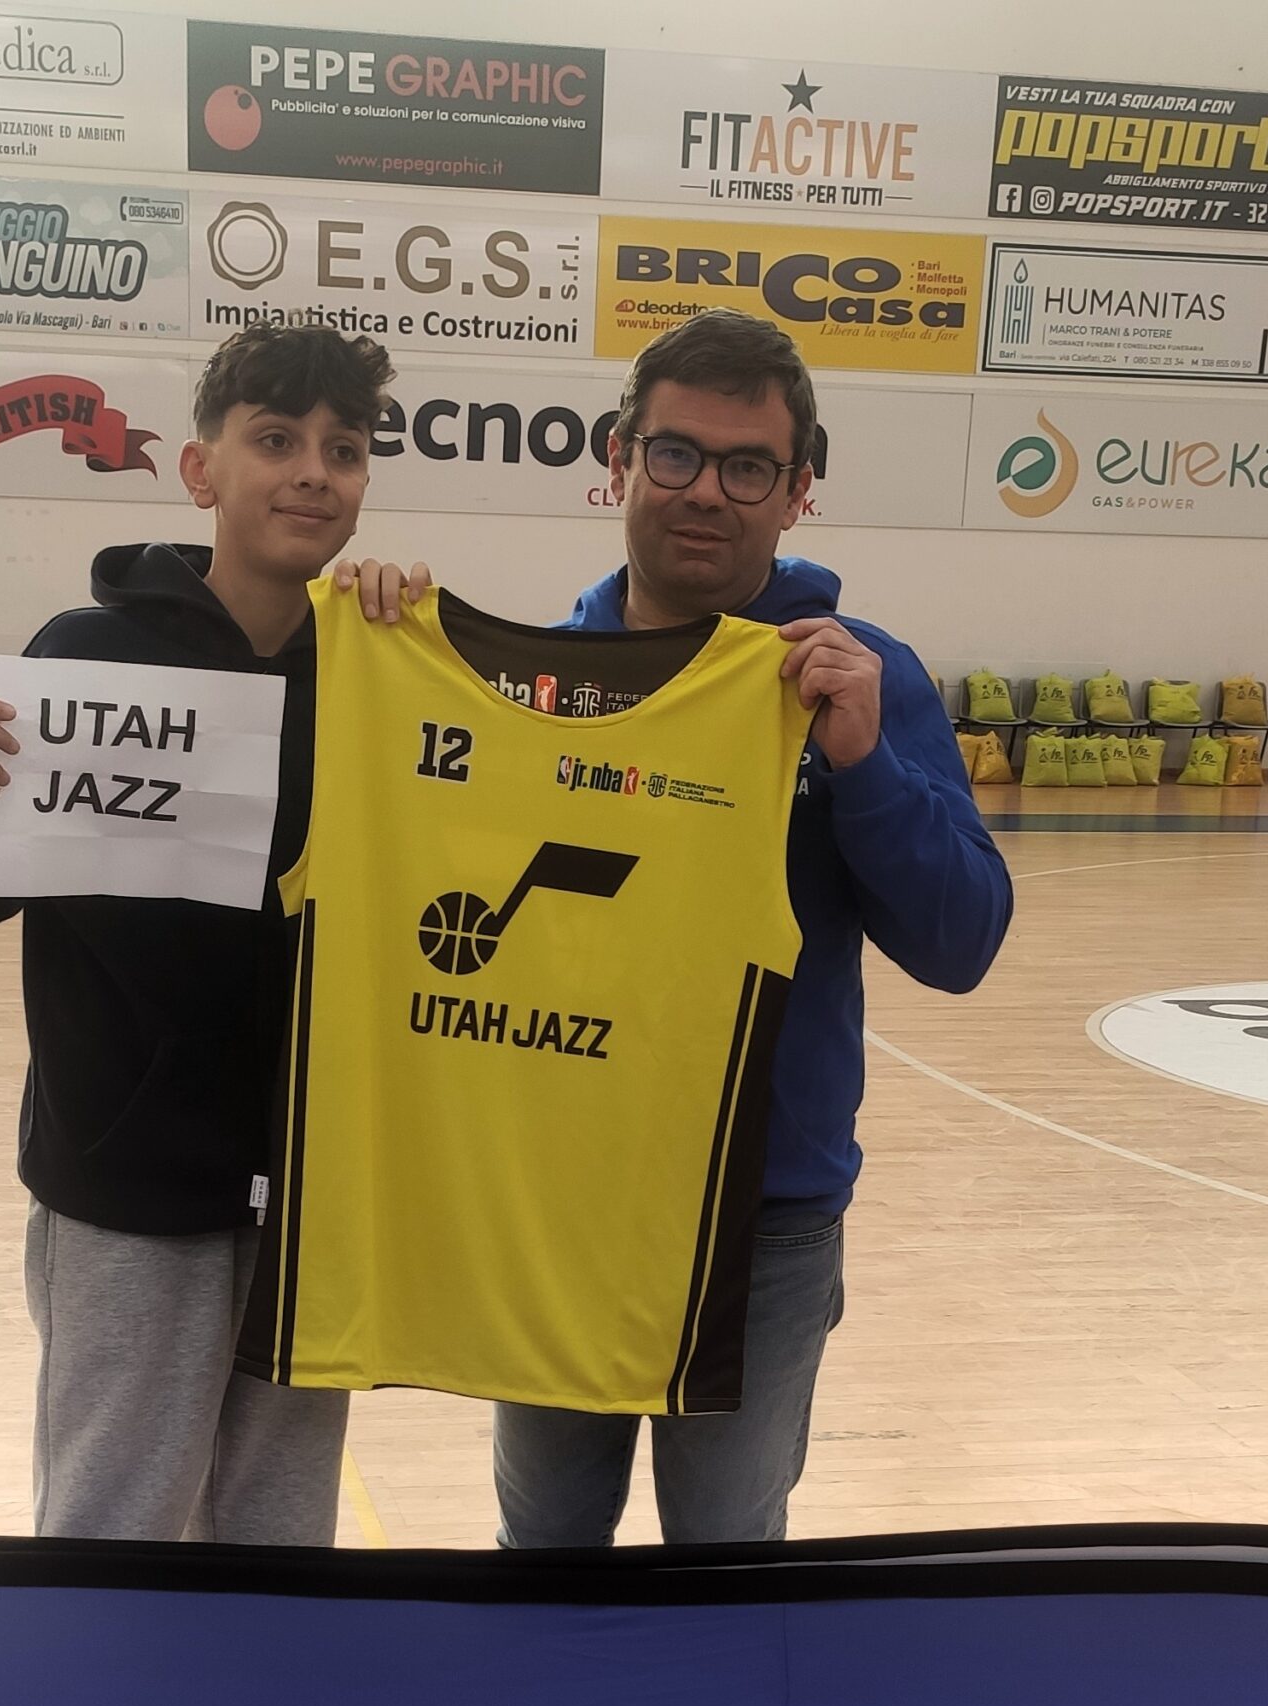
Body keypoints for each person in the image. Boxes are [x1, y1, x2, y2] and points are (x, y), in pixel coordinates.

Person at [349, 311, 1013, 1548]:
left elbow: (962, 942)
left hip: (763, 1219)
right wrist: (373, 644)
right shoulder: (536, 681)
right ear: (617, 461)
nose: (706, 490)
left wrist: (864, 765)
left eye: (747, 465)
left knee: (726, 1561)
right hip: (561, 1200)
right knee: (546, 1551)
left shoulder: (859, 679)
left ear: (798, 491)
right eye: (675, 453)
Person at [0, 322, 393, 1542]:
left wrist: (414, 637)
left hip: (316, 1200)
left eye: (344, 450)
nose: (314, 472)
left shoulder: (381, 676)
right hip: (126, 1194)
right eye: (277, 440)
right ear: (200, 470)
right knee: (110, 1535)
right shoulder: (85, 659)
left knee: (279, 1544)